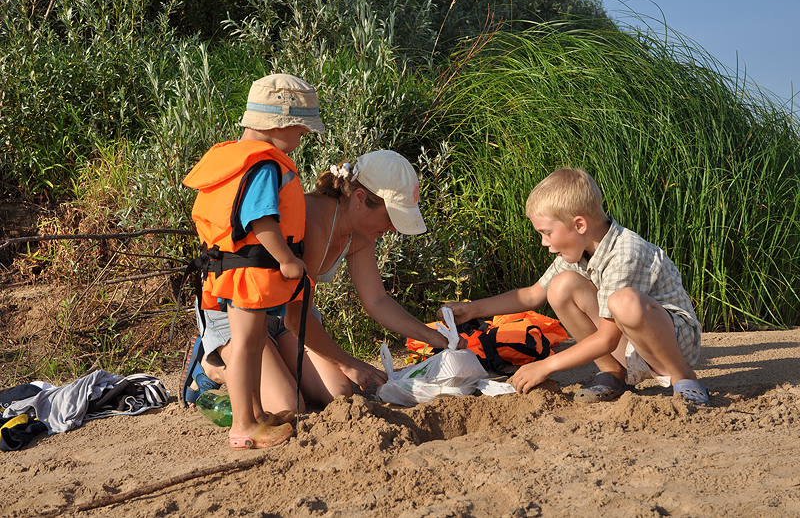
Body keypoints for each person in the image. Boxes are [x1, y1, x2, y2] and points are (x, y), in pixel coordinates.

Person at [182, 150, 453, 420]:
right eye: (391, 216)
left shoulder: (360, 234)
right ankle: (212, 365)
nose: (394, 228)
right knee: (288, 406)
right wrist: (347, 361)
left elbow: (377, 301)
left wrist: (432, 337)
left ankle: (274, 363)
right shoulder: (311, 220)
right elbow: (296, 318)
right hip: (240, 311)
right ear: (360, 199)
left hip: (282, 316)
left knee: (338, 393)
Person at [443, 167, 710, 406]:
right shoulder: (579, 250)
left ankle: (683, 377)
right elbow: (533, 294)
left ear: (579, 224)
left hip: (672, 342)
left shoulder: (626, 251)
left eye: (547, 233)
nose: (544, 242)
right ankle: (614, 372)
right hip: (629, 340)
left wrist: (546, 366)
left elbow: (608, 337)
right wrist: (472, 309)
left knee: (623, 302)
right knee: (560, 286)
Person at [182, 73, 324, 449]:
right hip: (249, 270)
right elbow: (261, 220)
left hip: (234, 268)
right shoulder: (263, 166)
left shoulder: (239, 159)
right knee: (246, 344)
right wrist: (288, 261)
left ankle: (257, 414)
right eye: (300, 131)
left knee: (254, 339)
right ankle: (243, 425)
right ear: (278, 124)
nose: (301, 140)